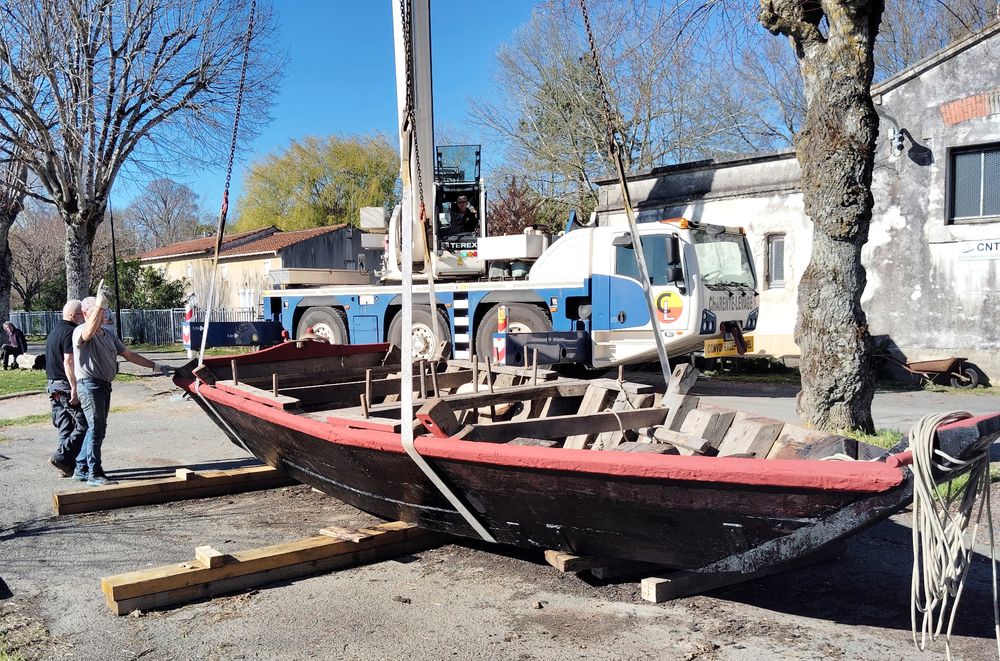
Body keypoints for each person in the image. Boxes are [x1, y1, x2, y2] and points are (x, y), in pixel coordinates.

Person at [72, 285, 173, 486]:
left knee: (96, 429)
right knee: (97, 429)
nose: (104, 314)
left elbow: (129, 355)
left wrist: (155, 366)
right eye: (99, 310)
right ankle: (94, 473)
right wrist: (99, 304)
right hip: (90, 386)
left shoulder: (109, 335)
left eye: (104, 310)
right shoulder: (80, 331)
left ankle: (81, 468)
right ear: (85, 314)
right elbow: (89, 331)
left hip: (103, 386)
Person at [46, 300, 88, 477]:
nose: (83, 318)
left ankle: (65, 466)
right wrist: (74, 387)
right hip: (65, 386)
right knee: (84, 424)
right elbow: (68, 361)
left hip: (53, 386)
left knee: (65, 426)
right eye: (81, 315)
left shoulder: (54, 331)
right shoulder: (70, 332)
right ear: (73, 315)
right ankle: (61, 457)